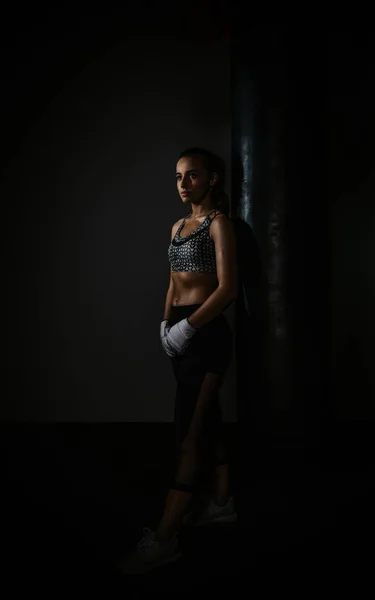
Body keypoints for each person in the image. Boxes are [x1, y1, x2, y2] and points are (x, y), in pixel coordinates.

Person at [120, 147, 238, 575]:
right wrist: (166, 324)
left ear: (212, 180)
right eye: (178, 177)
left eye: (191, 176)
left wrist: (190, 328)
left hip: (207, 334)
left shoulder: (218, 224)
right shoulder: (177, 225)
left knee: (189, 433)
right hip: (181, 332)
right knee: (205, 416)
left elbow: (226, 288)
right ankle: (222, 502)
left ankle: (166, 538)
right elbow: (173, 283)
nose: (183, 184)